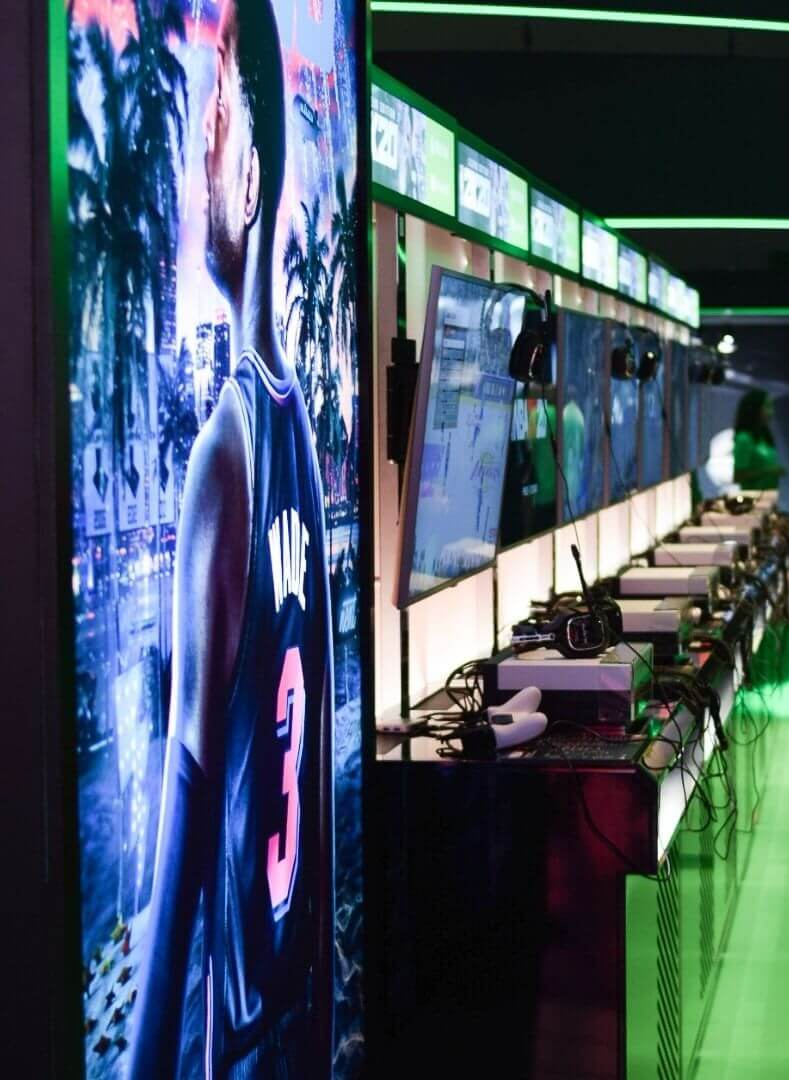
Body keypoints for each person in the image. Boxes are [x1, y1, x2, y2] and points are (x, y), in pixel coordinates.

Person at [130, 1, 334, 1075]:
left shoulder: (227, 452)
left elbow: (180, 858)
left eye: (210, 129)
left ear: (248, 178)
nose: (193, 171)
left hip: (245, 1033)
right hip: (300, 1009)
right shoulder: (292, 433)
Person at [733, 388, 785, 490]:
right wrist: (769, 472)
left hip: (770, 495)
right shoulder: (744, 439)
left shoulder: (764, 437)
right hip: (753, 497)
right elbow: (738, 476)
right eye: (767, 407)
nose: (771, 412)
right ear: (755, 409)